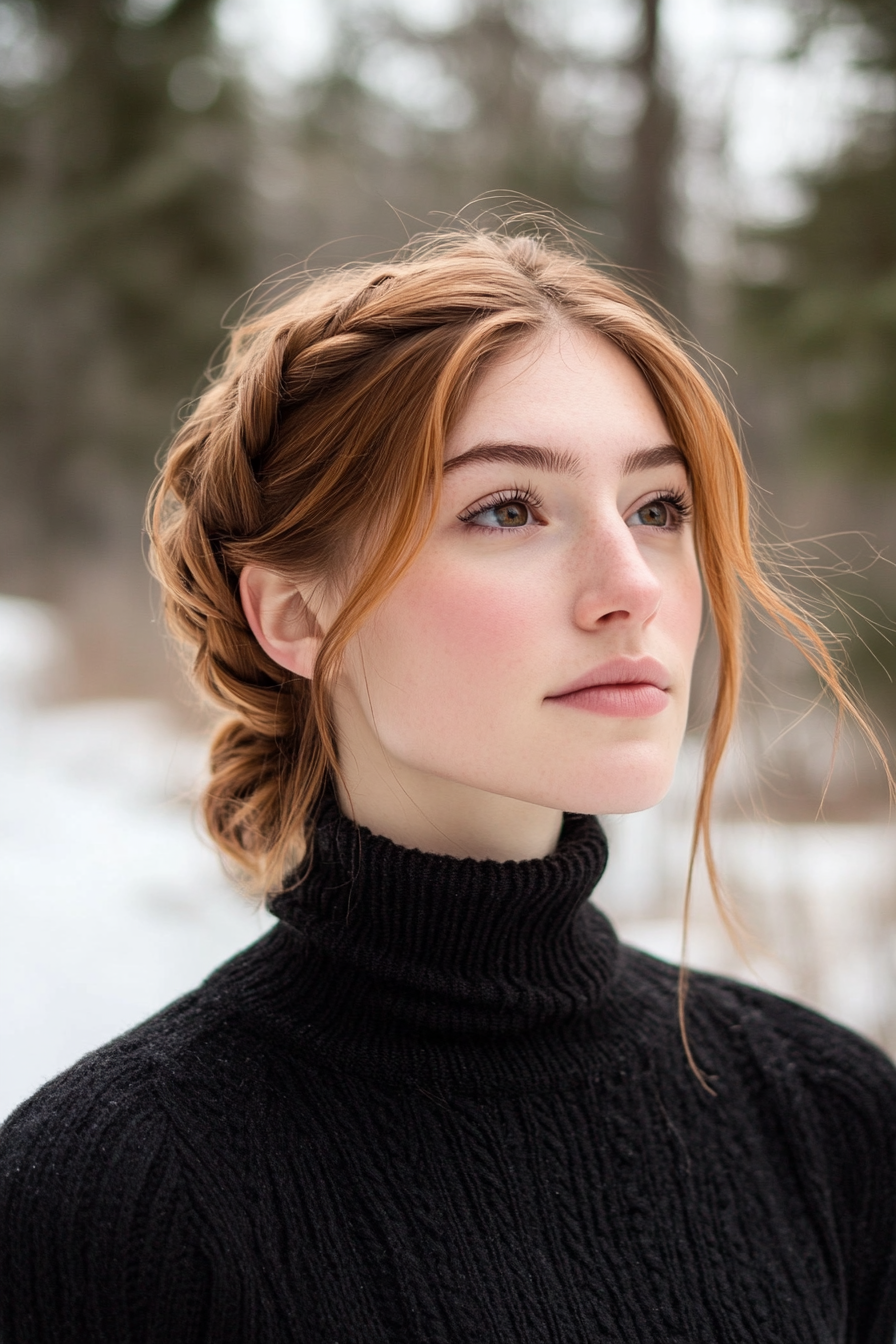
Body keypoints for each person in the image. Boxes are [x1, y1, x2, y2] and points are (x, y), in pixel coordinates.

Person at [1, 227, 895, 1343]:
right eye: (506, 509)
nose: (631, 589)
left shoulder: (823, 1116)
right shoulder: (110, 1198)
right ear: (295, 615)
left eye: (657, 509)